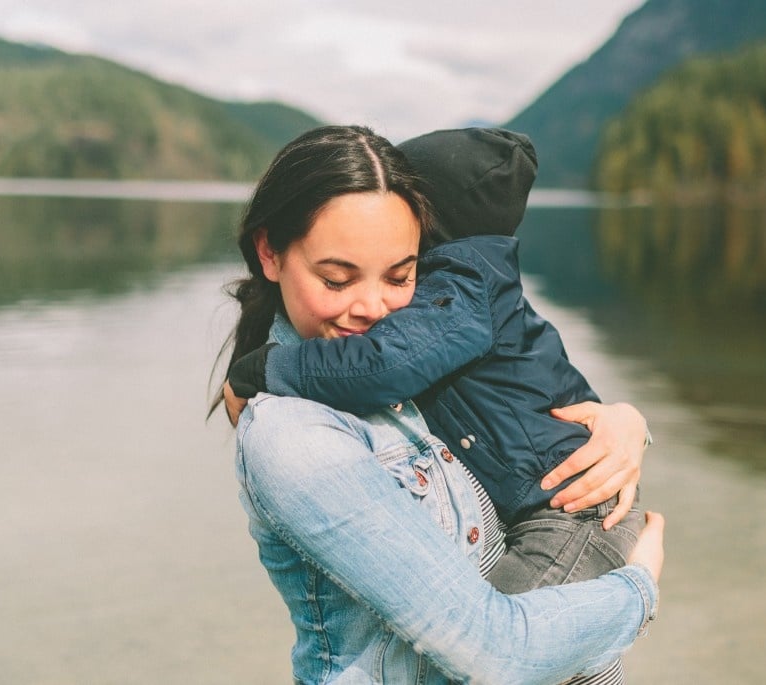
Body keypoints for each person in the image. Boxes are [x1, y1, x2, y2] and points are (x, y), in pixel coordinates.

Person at [216, 124, 663, 684]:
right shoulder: (294, 434)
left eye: (402, 276)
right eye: (336, 279)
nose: (374, 309)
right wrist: (638, 586)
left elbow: (530, 402)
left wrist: (622, 423)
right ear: (269, 252)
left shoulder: (411, 369)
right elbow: (499, 654)